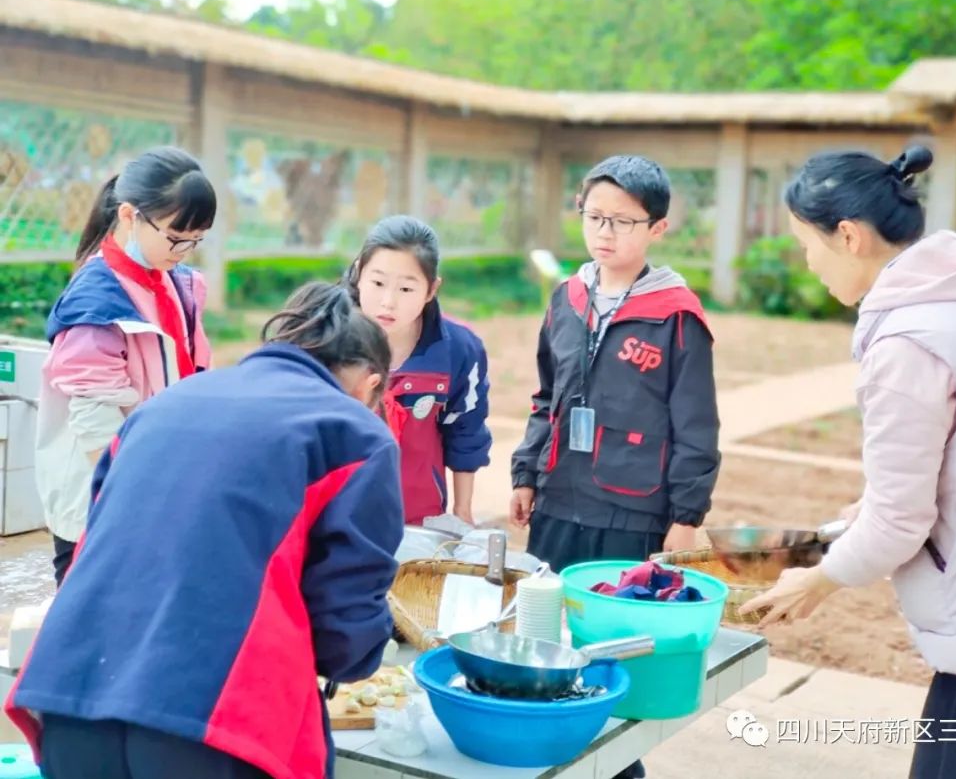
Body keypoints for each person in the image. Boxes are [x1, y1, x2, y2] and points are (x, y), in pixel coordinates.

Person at [741, 146, 956, 779]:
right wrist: (855, 523)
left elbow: (901, 522)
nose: (807, 263)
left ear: (848, 236)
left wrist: (820, 578)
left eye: (806, 245)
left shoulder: (906, 346)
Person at [6, 282, 404, 779]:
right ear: (371, 384)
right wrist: (358, 657)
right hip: (212, 723)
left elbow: (102, 538)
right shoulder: (355, 432)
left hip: (68, 695)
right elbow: (345, 619)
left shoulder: (163, 406)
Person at [510, 155, 721, 574]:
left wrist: (686, 517)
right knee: (546, 619)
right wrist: (526, 475)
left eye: (623, 222)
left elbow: (696, 425)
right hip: (557, 501)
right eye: (595, 217)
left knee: (618, 626)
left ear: (657, 228)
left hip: (634, 513)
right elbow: (546, 397)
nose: (605, 233)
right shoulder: (566, 299)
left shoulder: (677, 316)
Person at [36, 146, 216, 586]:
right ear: (131, 214)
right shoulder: (96, 302)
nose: (185, 251)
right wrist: (134, 498)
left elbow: (192, 374)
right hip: (106, 494)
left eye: (196, 240)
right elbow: (95, 425)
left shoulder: (178, 284)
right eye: (176, 237)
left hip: (156, 478)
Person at [346, 215, 492, 525]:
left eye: (406, 289)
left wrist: (463, 511)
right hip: (340, 514)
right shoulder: (327, 341)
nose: (388, 302)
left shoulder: (459, 349)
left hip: (419, 516)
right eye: (378, 283)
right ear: (359, 273)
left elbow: (466, 430)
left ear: (431, 290)